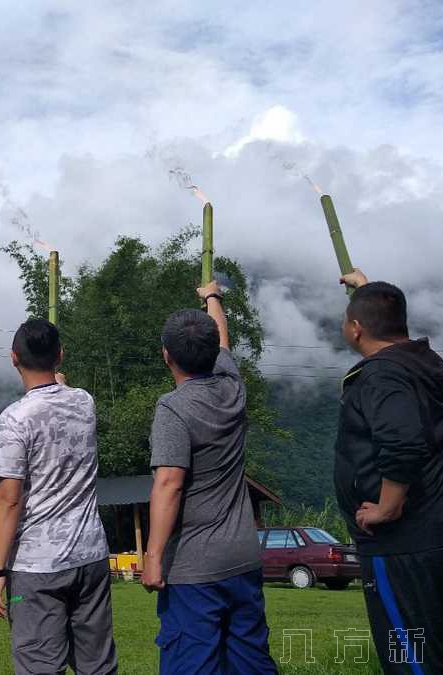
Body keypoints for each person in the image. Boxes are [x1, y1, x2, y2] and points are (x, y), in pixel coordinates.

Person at [335, 270, 443, 674]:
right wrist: (368, 291)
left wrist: (387, 507)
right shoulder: (422, 361)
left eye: (347, 320)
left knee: (411, 660)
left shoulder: (382, 375)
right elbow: (388, 327)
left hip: (403, 546)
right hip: (441, 534)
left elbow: (402, 442)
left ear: (356, 329)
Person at [142, 281, 277, 674]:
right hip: (243, 556)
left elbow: (169, 484)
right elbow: (224, 344)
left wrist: (152, 558)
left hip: (193, 567)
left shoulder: (173, 408)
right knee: (251, 661)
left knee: (193, 664)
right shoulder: (232, 387)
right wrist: (212, 297)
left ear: (166, 355)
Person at [0, 319, 118, 675]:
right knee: (98, 666)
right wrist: (58, 381)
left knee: (38, 665)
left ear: (14, 358)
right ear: (59, 356)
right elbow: (63, 393)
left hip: (35, 567)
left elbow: (9, 499)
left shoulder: (14, 420)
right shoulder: (84, 404)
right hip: (90, 556)